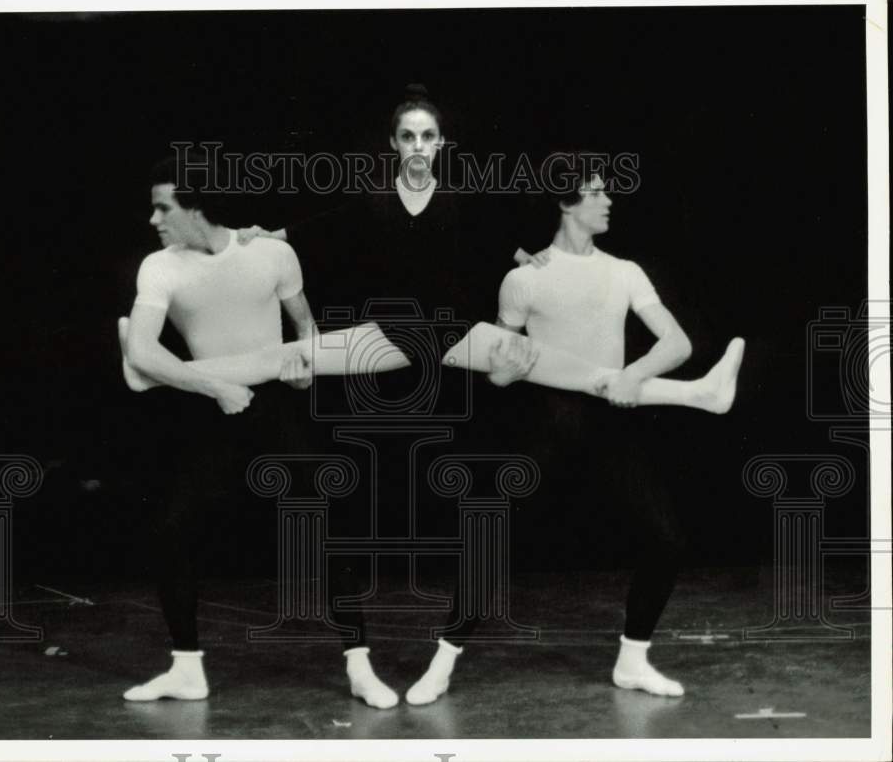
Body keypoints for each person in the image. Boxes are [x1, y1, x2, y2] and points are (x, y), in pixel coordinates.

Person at [241, 85, 510, 709]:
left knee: (477, 510)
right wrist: (260, 233)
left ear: (442, 144)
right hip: (377, 359)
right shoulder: (366, 204)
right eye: (408, 136)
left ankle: (448, 654)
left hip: (444, 363)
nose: (418, 146)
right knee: (346, 516)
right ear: (393, 144)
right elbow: (300, 232)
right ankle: (357, 660)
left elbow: (511, 254)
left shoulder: (465, 207)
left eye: (428, 136)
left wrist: (539, 258)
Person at [488, 159, 711, 697]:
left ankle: (633, 660)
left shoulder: (625, 270)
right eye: (595, 193)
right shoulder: (525, 276)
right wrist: (509, 367)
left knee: (666, 538)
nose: (608, 201)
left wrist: (632, 376)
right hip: (548, 423)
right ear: (566, 204)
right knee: (490, 541)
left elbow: (677, 344)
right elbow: (496, 370)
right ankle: (444, 659)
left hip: (609, 423)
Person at [119, 155, 316, 701]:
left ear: (195, 208)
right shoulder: (160, 267)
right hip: (213, 409)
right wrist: (218, 389)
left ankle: (359, 662)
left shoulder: (272, 253)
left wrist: (303, 374)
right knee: (172, 530)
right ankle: (186, 668)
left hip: (274, 405)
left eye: (164, 207)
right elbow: (140, 352)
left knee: (322, 526)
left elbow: (304, 328)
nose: (154, 219)